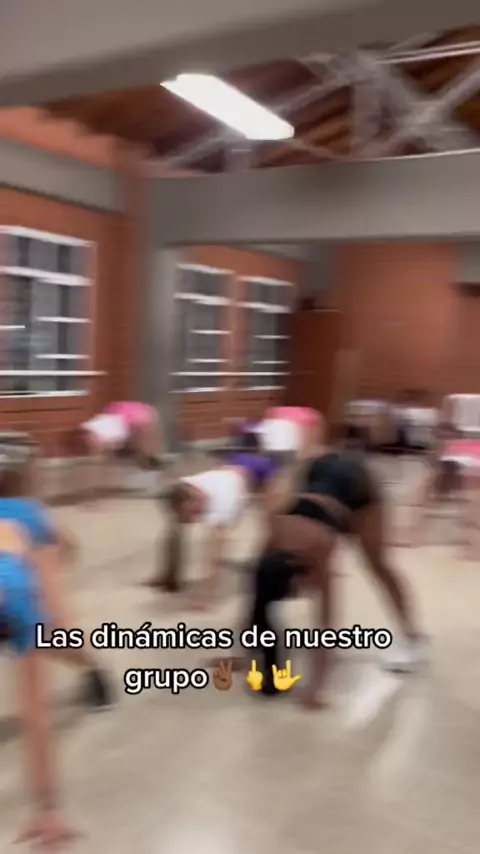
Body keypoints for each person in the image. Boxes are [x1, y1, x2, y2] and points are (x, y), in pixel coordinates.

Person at [210, 444, 425, 708]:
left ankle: (412, 637)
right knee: (262, 582)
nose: (301, 595)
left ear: (299, 578)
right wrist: (241, 654)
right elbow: (256, 600)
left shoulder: (318, 552)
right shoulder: (274, 536)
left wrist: (318, 686)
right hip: (318, 479)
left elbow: (327, 620)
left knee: (379, 565)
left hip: (358, 488)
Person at [0, 442, 115, 710]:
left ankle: (94, 671)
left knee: (54, 641)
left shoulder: (22, 511)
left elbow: (66, 546)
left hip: (21, 595)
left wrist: (42, 574)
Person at [0, 496, 77, 845]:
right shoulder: (27, 513)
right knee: (35, 710)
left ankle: (47, 812)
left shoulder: (25, 515)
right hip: (16, 593)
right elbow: (65, 553)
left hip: (15, 592)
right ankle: (47, 812)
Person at [146, 453, 283, 607]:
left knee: (273, 524)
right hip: (234, 464)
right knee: (174, 529)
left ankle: (277, 570)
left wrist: (205, 596)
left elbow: (214, 555)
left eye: (193, 513)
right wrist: (169, 575)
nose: (194, 520)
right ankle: (169, 577)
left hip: (264, 471)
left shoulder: (224, 501)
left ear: (195, 501)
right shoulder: (185, 486)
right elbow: (174, 525)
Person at [408, 422, 480, 557]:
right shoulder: (454, 450)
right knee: (428, 495)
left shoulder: (458, 449)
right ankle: (415, 536)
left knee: (471, 507)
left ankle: (475, 547)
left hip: (464, 471)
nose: (444, 441)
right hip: (459, 470)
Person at [78, 401, 164, 501]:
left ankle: (149, 470)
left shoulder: (133, 423)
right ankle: (147, 469)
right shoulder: (115, 428)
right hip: (127, 419)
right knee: (139, 449)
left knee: (141, 449)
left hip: (129, 420)